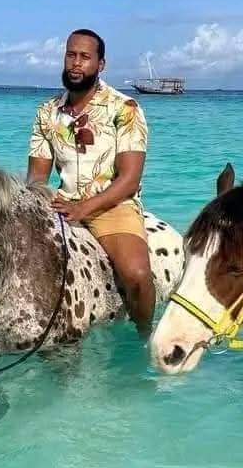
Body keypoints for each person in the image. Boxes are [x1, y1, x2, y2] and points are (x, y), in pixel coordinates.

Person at [26, 28, 155, 336]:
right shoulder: (47, 112)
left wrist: (85, 208)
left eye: (85, 57)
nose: (76, 64)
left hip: (112, 205)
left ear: (100, 65)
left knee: (136, 274)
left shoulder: (124, 109)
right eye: (71, 55)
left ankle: (143, 336)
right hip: (60, 203)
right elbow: (37, 179)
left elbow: (130, 179)